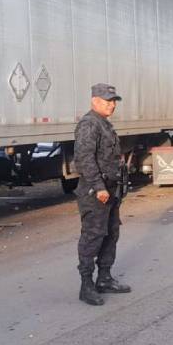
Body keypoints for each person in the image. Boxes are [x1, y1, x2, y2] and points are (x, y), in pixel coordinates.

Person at [73, 83, 132, 306]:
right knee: (93, 235)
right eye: (108, 101)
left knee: (111, 233)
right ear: (95, 101)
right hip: (95, 192)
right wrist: (99, 187)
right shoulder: (89, 124)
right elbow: (84, 159)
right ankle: (86, 285)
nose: (112, 105)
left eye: (114, 101)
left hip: (110, 189)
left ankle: (104, 278)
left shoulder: (104, 124)